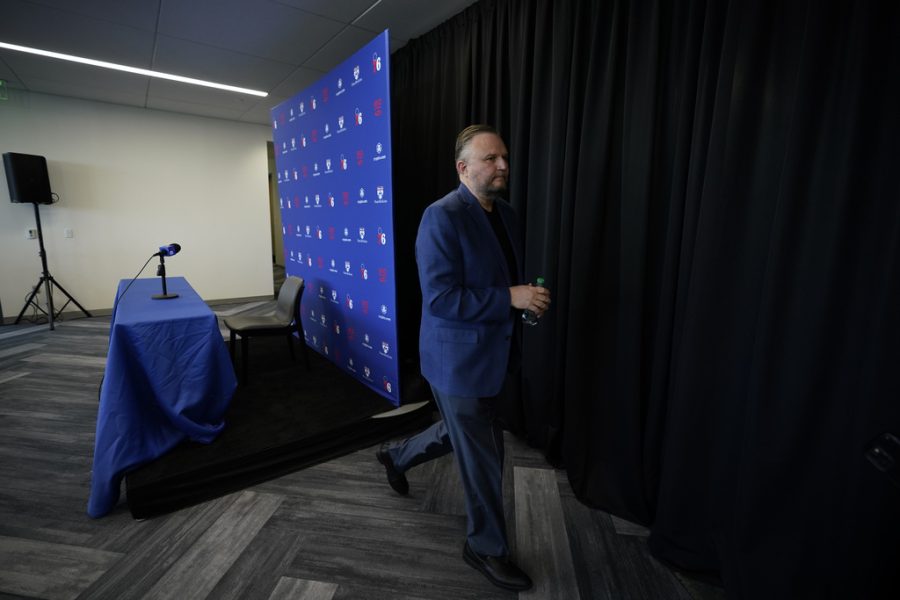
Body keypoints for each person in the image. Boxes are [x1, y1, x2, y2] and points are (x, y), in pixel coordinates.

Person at [376, 124, 550, 591]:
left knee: (462, 435)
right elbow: (440, 299)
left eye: (505, 158)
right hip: (457, 363)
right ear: (463, 167)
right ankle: (485, 547)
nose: (503, 166)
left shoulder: (507, 214)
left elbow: (500, 276)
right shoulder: (441, 217)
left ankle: (396, 457)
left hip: (495, 354)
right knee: (483, 458)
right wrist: (509, 297)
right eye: (491, 159)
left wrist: (522, 300)